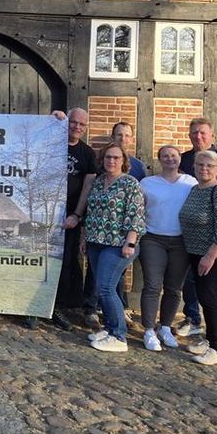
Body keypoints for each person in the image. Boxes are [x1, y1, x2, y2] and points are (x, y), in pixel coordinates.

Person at [177, 118, 217, 349]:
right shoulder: (184, 161)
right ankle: (194, 320)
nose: (198, 137)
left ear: (212, 135)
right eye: (194, 133)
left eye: (203, 133)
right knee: (196, 286)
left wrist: (215, 250)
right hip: (193, 245)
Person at [31, 108, 97, 331]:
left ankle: (54, 308)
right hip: (43, 215)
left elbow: (87, 187)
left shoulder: (87, 154)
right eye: (73, 122)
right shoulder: (50, 143)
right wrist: (52, 119)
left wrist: (77, 215)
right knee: (38, 260)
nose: (76, 127)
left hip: (68, 219)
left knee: (64, 265)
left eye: (82, 124)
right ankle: (32, 309)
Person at [81, 143, 146, 352]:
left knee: (107, 287)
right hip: (95, 241)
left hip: (118, 244)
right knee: (103, 287)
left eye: (116, 158)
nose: (112, 161)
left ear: (123, 161)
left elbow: (135, 215)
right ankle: (109, 329)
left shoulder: (130, 183)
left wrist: (130, 241)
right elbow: (90, 212)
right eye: (108, 157)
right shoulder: (99, 183)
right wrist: (84, 238)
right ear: (103, 160)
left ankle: (119, 336)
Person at [138, 145, 197, 351]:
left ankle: (164, 326)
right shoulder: (147, 183)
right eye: (165, 156)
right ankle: (148, 330)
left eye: (174, 155)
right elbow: (138, 210)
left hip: (180, 241)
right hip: (153, 239)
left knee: (173, 288)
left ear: (180, 159)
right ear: (159, 160)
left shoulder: (190, 183)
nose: (170, 159)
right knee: (153, 285)